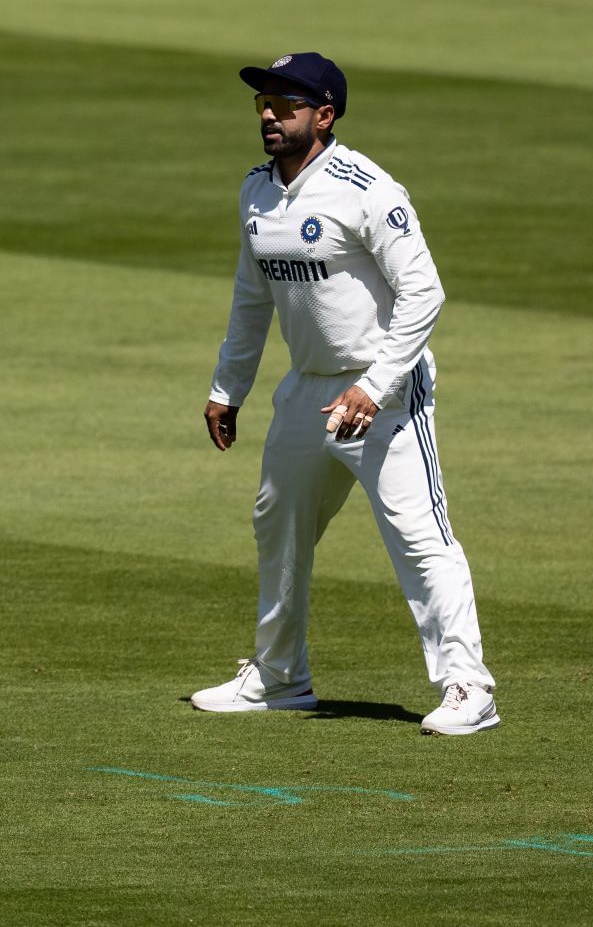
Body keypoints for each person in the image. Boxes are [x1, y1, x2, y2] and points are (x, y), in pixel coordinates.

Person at [197, 52, 498, 735]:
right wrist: (228, 387)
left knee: (420, 538)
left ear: (324, 115)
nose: (270, 114)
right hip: (306, 390)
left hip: (385, 393)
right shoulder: (256, 191)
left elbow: (426, 291)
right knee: (277, 525)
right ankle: (279, 678)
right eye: (263, 102)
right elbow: (252, 299)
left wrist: (375, 383)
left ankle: (469, 688)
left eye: (287, 104)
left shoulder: (366, 188)